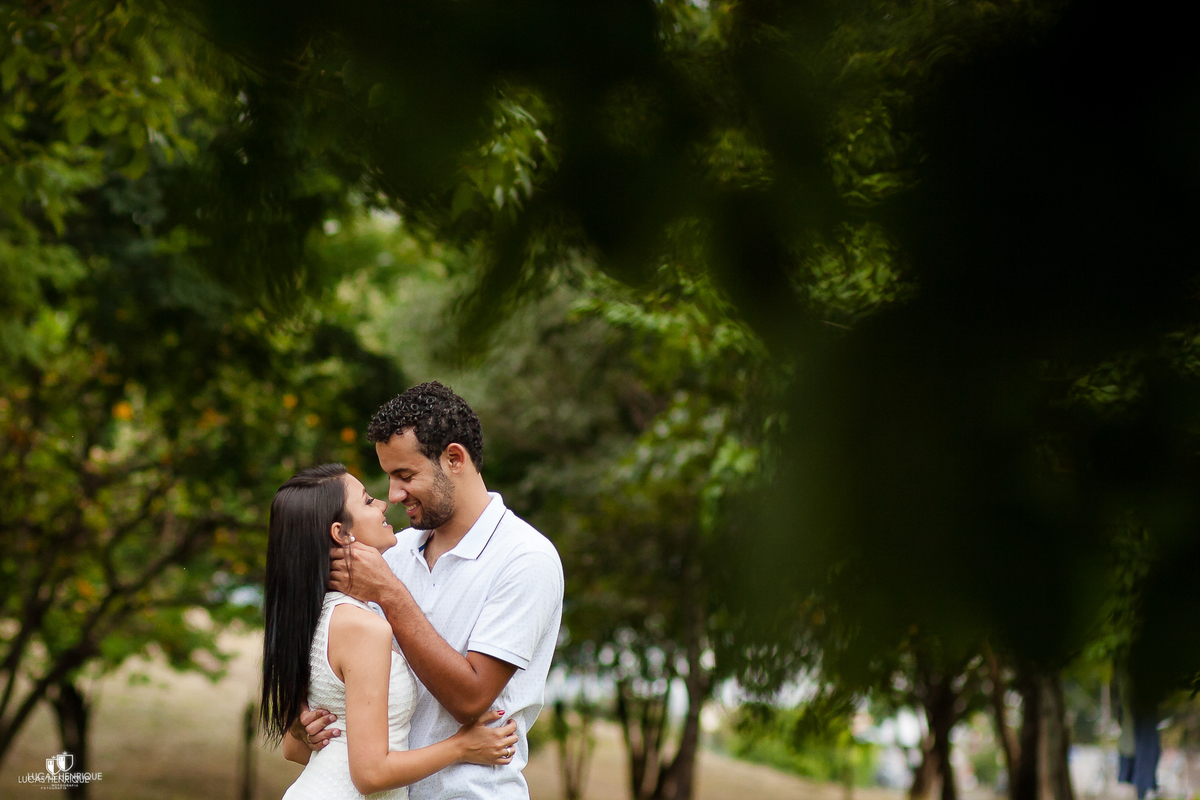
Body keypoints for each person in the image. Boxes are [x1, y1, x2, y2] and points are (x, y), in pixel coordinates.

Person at [293, 382, 565, 800]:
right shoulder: (391, 551)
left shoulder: (526, 558)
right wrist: (305, 723)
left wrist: (390, 594)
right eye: (388, 477)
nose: (393, 495)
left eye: (405, 475)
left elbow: (472, 699)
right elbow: (331, 651)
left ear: (454, 459)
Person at [261, 463, 519, 800]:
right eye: (368, 501)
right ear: (340, 533)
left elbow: (294, 749)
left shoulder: (312, 614)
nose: (384, 503)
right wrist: (462, 746)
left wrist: (304, 731)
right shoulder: (362, 626)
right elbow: (370, 774)